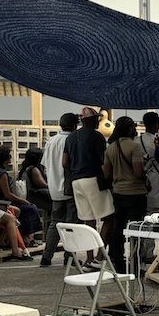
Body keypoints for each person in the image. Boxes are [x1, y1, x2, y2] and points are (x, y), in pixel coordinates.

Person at [64, 105, 114, 256]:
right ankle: (100, 255)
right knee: (110, 217)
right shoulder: (96, 136)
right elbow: (104, 162)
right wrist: (108, 180)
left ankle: (89, 259)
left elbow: (64, 163)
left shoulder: (70, 137)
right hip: (92, 179)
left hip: (76, 181)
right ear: (91, 121)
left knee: (89, 220)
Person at [103, 115, 148, 271]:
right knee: (137, 228)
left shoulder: (110, 148)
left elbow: (106, 174)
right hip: (136, 193)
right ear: (130, 128)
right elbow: (138, 172)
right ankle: (135, 262)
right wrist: (145, 174)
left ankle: (118, 261)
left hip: (118, 193)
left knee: (118, 228)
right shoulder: (135, 147)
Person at [40, 113, 78, 268]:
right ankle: (69, 257)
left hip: (54, 188)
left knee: (55, 223)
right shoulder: (73, 140)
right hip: (70, 188)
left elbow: (44, 164)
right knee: (72, 224)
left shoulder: (51, 141)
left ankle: (46, 256)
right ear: (75, 125)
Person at [0, 147, 42, 244]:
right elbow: (8, 194)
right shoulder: (2, 174)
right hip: (3, 201)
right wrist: (23, 201)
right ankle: (28, 237)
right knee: (31, 208)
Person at [19, 147, 53, 242]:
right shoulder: (34, 169)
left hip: (35, 195)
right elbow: (43, 184)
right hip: (36, 197)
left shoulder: (26, 167)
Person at [139, 111, 159, 216]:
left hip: (140, 180)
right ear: (156, 124)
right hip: (155, 180)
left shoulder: (137, 140)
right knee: (155, 213)